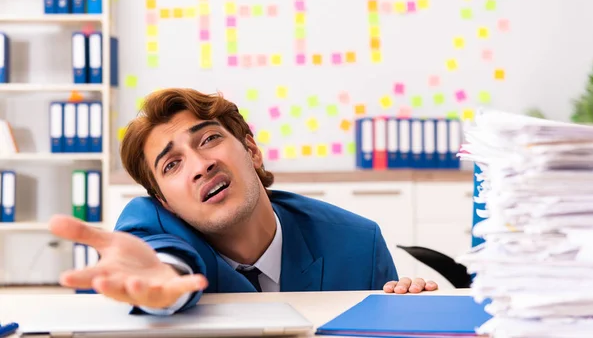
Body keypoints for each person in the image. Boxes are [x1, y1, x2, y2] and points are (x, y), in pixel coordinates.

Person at [49, 88, 438, 315]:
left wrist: (410, 314)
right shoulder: (154, 223)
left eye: (209, 140)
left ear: (251, 150)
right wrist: (165, 282)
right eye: (172, 165)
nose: (201, 165)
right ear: (164, 203)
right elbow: (158, 257)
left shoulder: (357, 243)